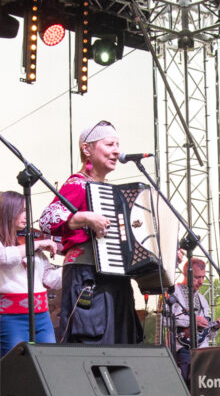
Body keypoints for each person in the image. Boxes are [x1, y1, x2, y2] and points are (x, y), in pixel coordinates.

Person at [38, 120, 142, 344]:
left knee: (122, 344)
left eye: (117, 145)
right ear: (87, 149)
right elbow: (47, 220)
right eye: (109, 144)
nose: (116, 151)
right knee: (90, 343)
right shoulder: (77, 184)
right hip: (86, 276)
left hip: (117, 280)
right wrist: (84, 217)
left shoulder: (114, 193)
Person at [0, 191, 60, 356]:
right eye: (22, 211)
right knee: (15, 364)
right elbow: (2, 258)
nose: (26, 216)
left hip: (42, 316)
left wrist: (73, 265)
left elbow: (49, 279)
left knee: (48, 361)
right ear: (8, 211)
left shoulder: (30, 243)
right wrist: (35, 245)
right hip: (10, 317)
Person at [169, 257, 220, 381]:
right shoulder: (174, 292)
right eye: (197, 277)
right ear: (186, 275)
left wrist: (216, 326)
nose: (201, 282)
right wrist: (192, 320)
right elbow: (165, 320)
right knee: (187, 383)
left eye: (203, 277)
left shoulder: (202, 299)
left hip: (203, 351)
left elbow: (208, 335)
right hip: (183, 349)